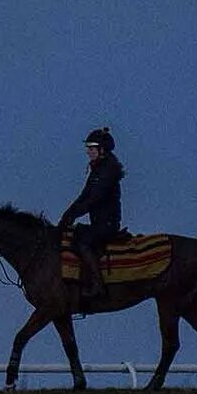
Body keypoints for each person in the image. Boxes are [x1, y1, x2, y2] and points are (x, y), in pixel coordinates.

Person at [59, 126, 125, 299]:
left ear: (102, 150)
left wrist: (72, 215)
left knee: (83, 243)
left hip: (107, 225)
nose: (88, 152)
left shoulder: (107, 171)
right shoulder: (98, 170)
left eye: (91, 148)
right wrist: (67, 215)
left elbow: (93, 199)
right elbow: (83, 196)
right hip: (99, 223)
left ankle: (97, 285)